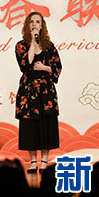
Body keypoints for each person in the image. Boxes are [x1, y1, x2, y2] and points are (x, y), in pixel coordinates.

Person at [14, 11, 62, 173]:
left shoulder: (49, 46)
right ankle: (33, 162)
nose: (35, 24)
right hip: (28, 90)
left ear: (42, 26)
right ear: (28, 25)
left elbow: (57, 68)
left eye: (38, 22)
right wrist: (33, 44)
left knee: (46, 124)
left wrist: (44, 68)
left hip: (46, 91)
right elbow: (25, 65)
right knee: (30, 126)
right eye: (32, 22)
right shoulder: (21, 45)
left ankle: (44, 161)